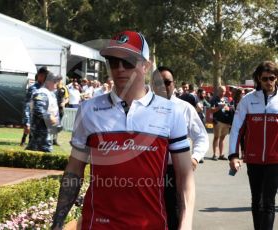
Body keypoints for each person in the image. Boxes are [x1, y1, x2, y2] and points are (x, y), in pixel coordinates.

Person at [51, 30, 195, 230]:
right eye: (113, 61)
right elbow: (74, 170)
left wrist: (185, 224)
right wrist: (57, 222)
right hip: (98, 225)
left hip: (151, 225)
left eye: (128, 62)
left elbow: (184, 176)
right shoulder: (88, 110)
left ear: (146, 65)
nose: (119, 69)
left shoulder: (172, 112)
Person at [152, 66, 208, 230]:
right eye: (158, 82)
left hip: (175, 170)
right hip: (150, 171)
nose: (163, 86)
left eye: (167, 82)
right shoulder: (143, 108)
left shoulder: (185, 108)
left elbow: (201, 137)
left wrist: (195, 157)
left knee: (175, 214)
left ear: (173, 83)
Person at [228, 61, 278, 230]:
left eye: (272, 78)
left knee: (269, 202)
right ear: (258, 78)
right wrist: (233, 156)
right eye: (265, 79)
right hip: (254, 160)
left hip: (275, 161)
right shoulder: (247, 101)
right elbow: (236, 129)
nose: (269, 82)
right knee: (256, 200)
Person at [25, 71, 61, 152]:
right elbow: (38, 109)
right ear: (48, 82)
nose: (57, 85)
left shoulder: (50, 93)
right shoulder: (42, 92)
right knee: (44, 156)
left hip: (45, 131)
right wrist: (50, 117)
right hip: (40, 132)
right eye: (55, 83)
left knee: (36, 153)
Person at [20, 66, 48, 146]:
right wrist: (26, 121)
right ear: (39, 75)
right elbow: (27, 104)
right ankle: (24, 140)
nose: (45, 78)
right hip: (33, 115)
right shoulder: (33, 88)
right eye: (43, 75)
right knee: (30, 132)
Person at [210, 85, 235, 160]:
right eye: (221, 91)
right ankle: (215, 154)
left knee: (222, 138)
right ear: (218, 91)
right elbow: (211, 110)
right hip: (218, 121)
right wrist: (219, 107)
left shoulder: (226, 99)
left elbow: (230, 108)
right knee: (216, 137)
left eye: (224, 91)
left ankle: (221, 154)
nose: (223, 93)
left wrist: (228, 108)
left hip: (226, 121)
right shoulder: (214, 99)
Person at [53, 79, 69, 146]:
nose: (59, 82)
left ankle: (55, 140)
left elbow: (67, 98)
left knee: (58, 125)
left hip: (60, 109)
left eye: (60, 81)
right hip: (52, 109)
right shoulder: (52, 87)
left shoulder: (64, 88)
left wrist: (64, 103)